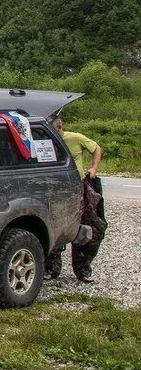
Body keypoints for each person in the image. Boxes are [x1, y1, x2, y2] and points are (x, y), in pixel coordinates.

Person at [48, 115, 106, 283]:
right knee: (56, 226)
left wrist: (94, 168)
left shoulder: (75, 138)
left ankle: (82, 269)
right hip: (57, 189)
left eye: (55, 131)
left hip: (79, 187)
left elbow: (96, 148)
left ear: (61, 128)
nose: (54, 135)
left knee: (90, 227)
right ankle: (52, 267)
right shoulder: (46, 140)